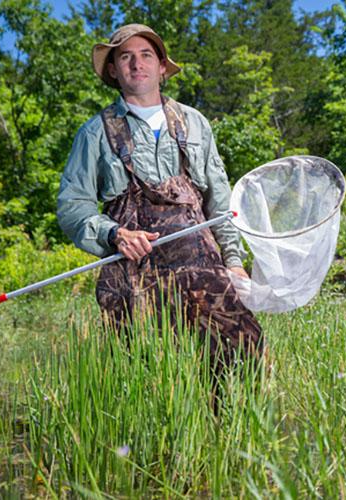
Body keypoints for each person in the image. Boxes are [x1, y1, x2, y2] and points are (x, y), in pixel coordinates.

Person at [57, 23, 263, 370]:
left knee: (244, 354)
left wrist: (234, 261)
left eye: (146, 55)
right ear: (113, 69)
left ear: (162, 67)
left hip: (203, 272)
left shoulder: (195, 123)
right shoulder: (94, 133)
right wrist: (114, 234)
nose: (137, 64)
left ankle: (228, 426)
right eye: (126, 57)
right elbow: (71, 206)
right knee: (145, 374)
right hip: (132, 275)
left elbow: (220, 200)